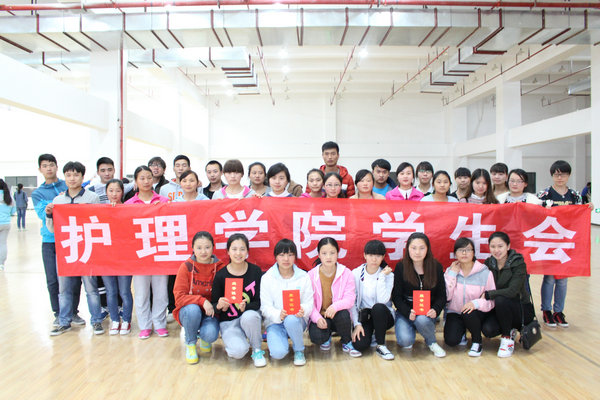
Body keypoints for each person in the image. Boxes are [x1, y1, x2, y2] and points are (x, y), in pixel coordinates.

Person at [45, 162, 104, 336]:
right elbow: (52, 229)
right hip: (67, 251)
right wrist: (49, 215)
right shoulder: (58, 200)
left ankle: (96, 320)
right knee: (64, 289)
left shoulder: (92, 198)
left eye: (76, 175)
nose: (72, 179)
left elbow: (98, 223)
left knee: (91, 288)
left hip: (87, 250)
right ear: (64, 177)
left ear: (82, 177)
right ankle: (64, 321)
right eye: (69, 175)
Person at [537, 160, 594, 328]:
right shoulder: (544, 194)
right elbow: (535, 212)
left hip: (566, 243)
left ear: (569, 176)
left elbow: (580, 214)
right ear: (552, 175)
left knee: (562, 279)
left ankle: (558, 311)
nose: (560, 177)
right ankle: (546, 310)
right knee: (549, 278)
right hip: (548, 241)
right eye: (556, 174)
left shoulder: (575, 195)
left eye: (563, 174)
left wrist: (588, 208)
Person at [32, 154, 83, 328]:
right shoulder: (38, 193)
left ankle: (73, 312)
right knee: (53, 280)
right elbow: (43, 215)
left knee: (74, 279)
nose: (49, 168)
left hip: (72, 239)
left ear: (56, 167)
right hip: (50, 241)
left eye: (51, 165)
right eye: (45, 166)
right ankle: (58, 313)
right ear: (40, 169)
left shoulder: (67, 185)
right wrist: (57, 203)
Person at [125, 166, 170, 339]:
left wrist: (163, 209)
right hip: (139, 254)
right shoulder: (129, 204)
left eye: (149, 177)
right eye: (142, 178)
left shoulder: (164, 201)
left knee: (161, 292)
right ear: (136, 181)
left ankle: (159, 323)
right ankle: (144, 325)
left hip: (160, 252)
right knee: (142, 293)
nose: (146, 181)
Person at [211, 233, 266, 367]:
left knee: (250, 316)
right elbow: (213, 305)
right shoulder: (221, 275)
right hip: (229, 322)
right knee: (239, 352)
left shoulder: (255, 271)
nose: (238, 253)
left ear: (247, 251)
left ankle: (257, 350)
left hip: (249, 318)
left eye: (242, 249)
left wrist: (246, 307)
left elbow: (259, 302)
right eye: (234, 249)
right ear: (228, 251)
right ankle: (236, 343)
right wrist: (219, 305)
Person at [260, 239, 314, 366]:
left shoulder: (304, 276)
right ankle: (281, 338)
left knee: (291, 320)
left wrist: (303, 309)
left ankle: (299, 350)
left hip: (296, 320)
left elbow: (309, 303)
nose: (286, 259)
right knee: (278, 354)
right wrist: (278, 314)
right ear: (276, 257)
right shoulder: (267, 278)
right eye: (282, 255)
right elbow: (265, 307)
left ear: (295, 257)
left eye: (290, 255)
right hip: (275, 322)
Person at [392, 233, 446, 358]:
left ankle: (431, 342)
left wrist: (436, 309)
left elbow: (442, 295)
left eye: (422, 248)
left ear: (427, 249)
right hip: (406, 313)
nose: (417, 252)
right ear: (408, 249)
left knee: (422, 320)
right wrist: (407, 312)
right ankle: (416, 327)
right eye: (413, 248)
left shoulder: (436, 266)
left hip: (426, 313)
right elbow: (396, 297)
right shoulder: (401, 267)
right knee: (405, 342)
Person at [481, 232, 535, 358]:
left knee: (501, 299)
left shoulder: (518, 263)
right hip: (500, 310)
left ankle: (507, 340)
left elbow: (512, 291)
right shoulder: (489, 263)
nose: (496, 250)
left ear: (508, 246)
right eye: (493, 246)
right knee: (488, 330)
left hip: (520, 309)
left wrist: (490, 294)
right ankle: (511, 331)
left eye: (500, 246)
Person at [173, 231, 222, 364]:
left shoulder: (220, 267)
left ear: (213, 247)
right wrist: (202, 300)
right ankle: (190, 343)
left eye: (207, 247)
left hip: (210, 313)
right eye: (199, 248)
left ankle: (205, 337)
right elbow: (179, 297)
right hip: (189, 312)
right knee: (193, 310)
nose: (203, 252)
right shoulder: (186, 267)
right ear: (193, 248)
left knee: (210, 334)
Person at [307, 237, 361, 357]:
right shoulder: (311, 275)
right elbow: (308, 302)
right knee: (317, 337)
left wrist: (335, 307)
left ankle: (346, 341)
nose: (328, 257)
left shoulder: (346, 273)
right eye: (324, 253)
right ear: (319, 255)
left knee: (344, 315)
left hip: (338, 315)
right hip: (321, 316)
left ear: (337, 254)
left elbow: (350, 299)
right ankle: (327, 337)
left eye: (332, 253)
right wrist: (317, 318)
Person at [444, 237, 496, 356]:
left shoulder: (485, 273)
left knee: (469, 313)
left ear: (473, 253)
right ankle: (462, 330)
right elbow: (446, 296)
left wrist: (475, 304)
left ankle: (477, 341)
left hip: (476, 313)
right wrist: (452, 274)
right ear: (455, 254)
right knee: (451, 341)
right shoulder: (450, 271)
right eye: (460, 250)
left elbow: (491, 300)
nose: (464, 253)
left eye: (468, 250)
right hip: (456, 312)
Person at [350, 240, 395, 360]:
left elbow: (382, 300)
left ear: (383, 257)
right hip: (365, 316)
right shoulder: (356, 273)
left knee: (378, 308)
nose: (374, 259)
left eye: (378, 256)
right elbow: (352, 302)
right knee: (360, 345)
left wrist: (382, 276)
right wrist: (357, 324)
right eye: (370, 255)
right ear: (364, 255)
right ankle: (372, 334)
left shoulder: (389, 275)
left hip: (383, 315)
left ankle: (381, 345)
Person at [102, 179, 133, 335]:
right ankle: (115, 320)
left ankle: (126, 320)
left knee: (125, 291)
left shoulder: (129, 210)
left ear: (123, 192)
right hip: (106, 258)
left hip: (125, 258)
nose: (114, 194)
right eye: (111, 190)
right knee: (111, 291)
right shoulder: (100, 211)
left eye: (118, 191)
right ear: (106, 192)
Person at [0, 179, 16, 270]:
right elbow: (13, 211)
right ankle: (1, 264)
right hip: (6, 223)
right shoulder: (9, 197)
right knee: (2, 243)